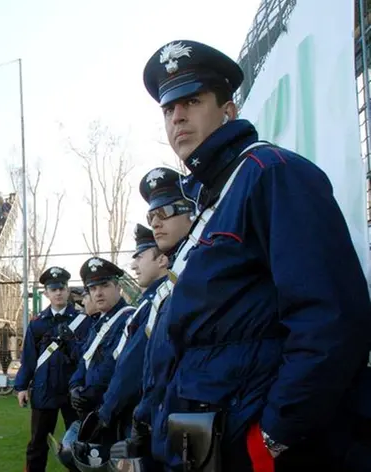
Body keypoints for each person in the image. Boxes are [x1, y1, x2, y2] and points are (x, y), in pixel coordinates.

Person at [141, 39, 371, 471]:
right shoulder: (211, 203)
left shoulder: (271, 173)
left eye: (192, 100)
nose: (179, 117)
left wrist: (273, 438)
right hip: (205, 438)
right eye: (169, 109)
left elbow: (331, 318)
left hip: (254, 446)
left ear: (228, 110)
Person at [109, 167, 196, 467]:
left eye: (166, 211)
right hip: (160, 421)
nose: (156, 222)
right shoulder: (171, 284)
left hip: (188, 424)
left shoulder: (196, 271)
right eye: (151, 217)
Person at [14, 266, 93, 472]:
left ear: (68, 291)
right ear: (46, 293)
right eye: (53, 289)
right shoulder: (37, 323)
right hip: (44, 389)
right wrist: (21, 386)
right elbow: (29, 358)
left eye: (62, 288)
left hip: (73, 391)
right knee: (37, 444)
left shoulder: (82, 321)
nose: (58, 292)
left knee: (77, 443)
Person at [95, 224, 170, 439]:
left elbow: (134, 363)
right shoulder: (149, 302)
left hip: (142, 412)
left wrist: (107, 410)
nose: (134, 266)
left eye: (140, 257)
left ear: (162, 259)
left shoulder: (159, 300)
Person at [68, 257, 134, 420]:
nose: (98, 293)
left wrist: (89, 394)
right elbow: (85, 359)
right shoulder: (98, 323)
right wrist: (74, 387)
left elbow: (116, 368)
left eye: (105, 285)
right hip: (93, 409)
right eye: (93, 288)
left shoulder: (129, 319)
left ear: (118, 287)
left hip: (112, 411)